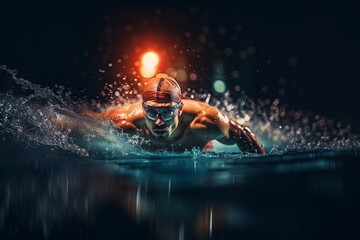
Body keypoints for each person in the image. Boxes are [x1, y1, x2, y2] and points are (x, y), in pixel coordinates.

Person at [84, 73, 265, 154]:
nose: (159, 121)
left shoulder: (206, 123)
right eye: (152, 112)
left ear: (180, 109)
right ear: (143, 108)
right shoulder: (125, 123)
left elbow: (242, 134)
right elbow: (83, 123)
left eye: (167, 112)